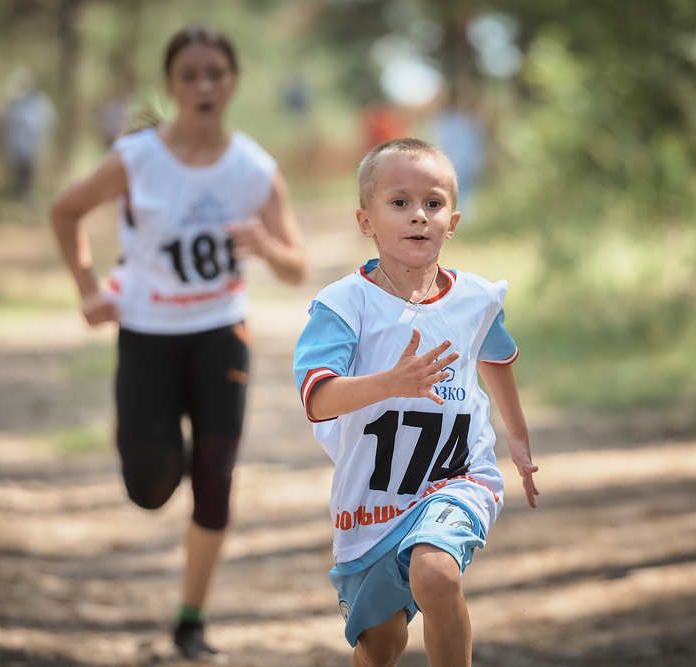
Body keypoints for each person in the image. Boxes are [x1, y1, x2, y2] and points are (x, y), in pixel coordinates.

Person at [50, 24, 306, 661]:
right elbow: (66, 209)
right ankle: (167, 448)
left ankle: (192, 620)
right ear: (170, 85)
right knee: (149, 486)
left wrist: (265, 245)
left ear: (233, 82)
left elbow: (297, 266)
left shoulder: (253, 167)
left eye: (215, 74)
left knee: (216, 481)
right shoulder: (136, 158)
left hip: (222, 333)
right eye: (189, 76)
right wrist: (88, 289)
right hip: (148, 334)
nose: (203, 86)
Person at [293, 138, 538, 666]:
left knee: (436, 572)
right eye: (400, 202)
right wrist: (390, 383)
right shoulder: (343, 305)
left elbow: (496, 357)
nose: (419, 215)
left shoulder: (476, 299)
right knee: (380, 644)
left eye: (433, 203)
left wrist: (517, 437)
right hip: (372, 499)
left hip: (457, 478)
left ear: (453, 222)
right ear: (366, 220)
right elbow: (318, 399)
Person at [2, 68, 55, 202]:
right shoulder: (16, 103)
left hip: (32, 146)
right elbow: (9, 124)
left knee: (30, 173)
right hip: (19, 145)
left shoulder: (40, 102)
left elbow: (46, 122)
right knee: (20, 173)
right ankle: (20, 195)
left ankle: (28, 196)